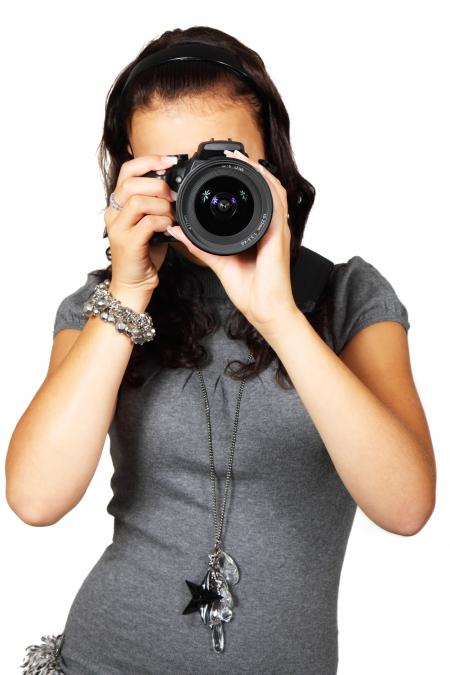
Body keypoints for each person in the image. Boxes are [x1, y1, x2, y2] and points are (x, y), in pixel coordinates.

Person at [8, 26, 435, 675]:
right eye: (172, 172)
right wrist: (128, 291)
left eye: (224, 160)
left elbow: (405, 506)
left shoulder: (346, 295)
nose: (205, 187)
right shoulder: (102, 310)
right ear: (130, 172)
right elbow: (36, 498)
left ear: (273, 159)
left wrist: (278, 313)